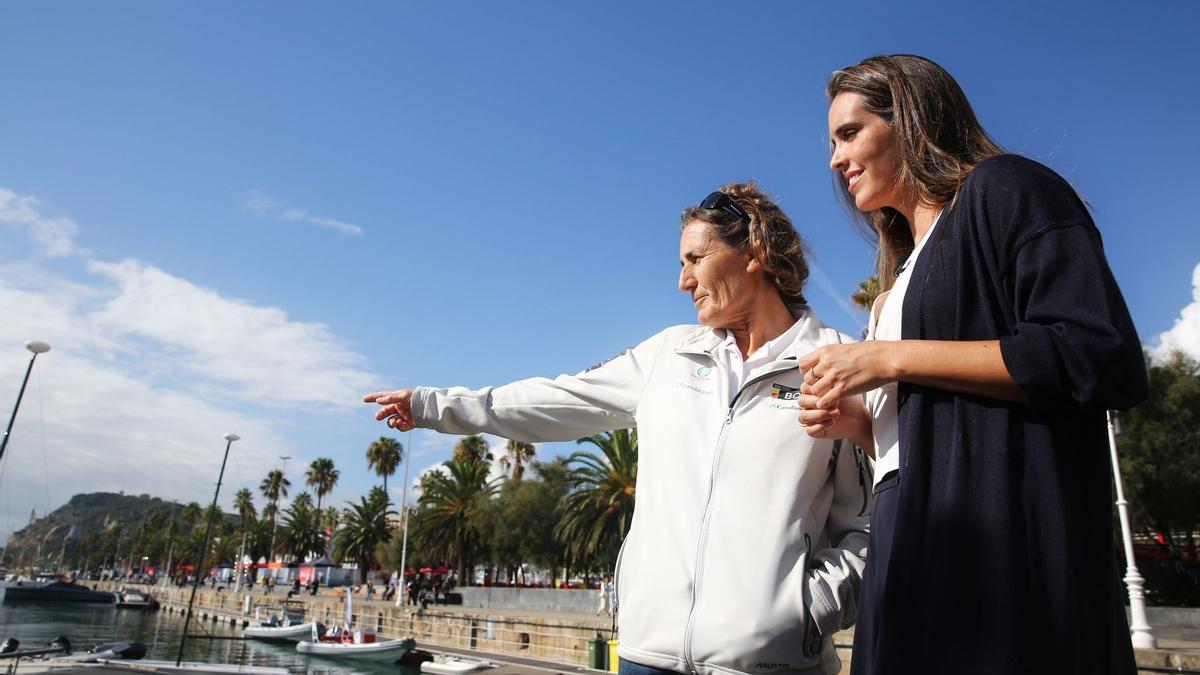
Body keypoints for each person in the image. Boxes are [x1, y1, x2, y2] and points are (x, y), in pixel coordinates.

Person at [366, 183, 870, 675]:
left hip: (772, 664)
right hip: (646, 656)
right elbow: (557, 400)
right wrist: (435, 405)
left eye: (695, 259)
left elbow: (870, 521)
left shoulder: (837, 364)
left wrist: (810, 607)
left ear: (754, 252)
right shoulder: (669, 354)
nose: (683, 282)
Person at [800, 54, 1146, 675]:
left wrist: (888, 357)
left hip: (999, 544)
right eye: (832, 142)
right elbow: (920, 439)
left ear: (912, 120)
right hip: (903, 535)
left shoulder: (1005, 187)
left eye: (849, 133)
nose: (835, 159)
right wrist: (857, 425)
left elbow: (1097, 353)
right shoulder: (895, 283)